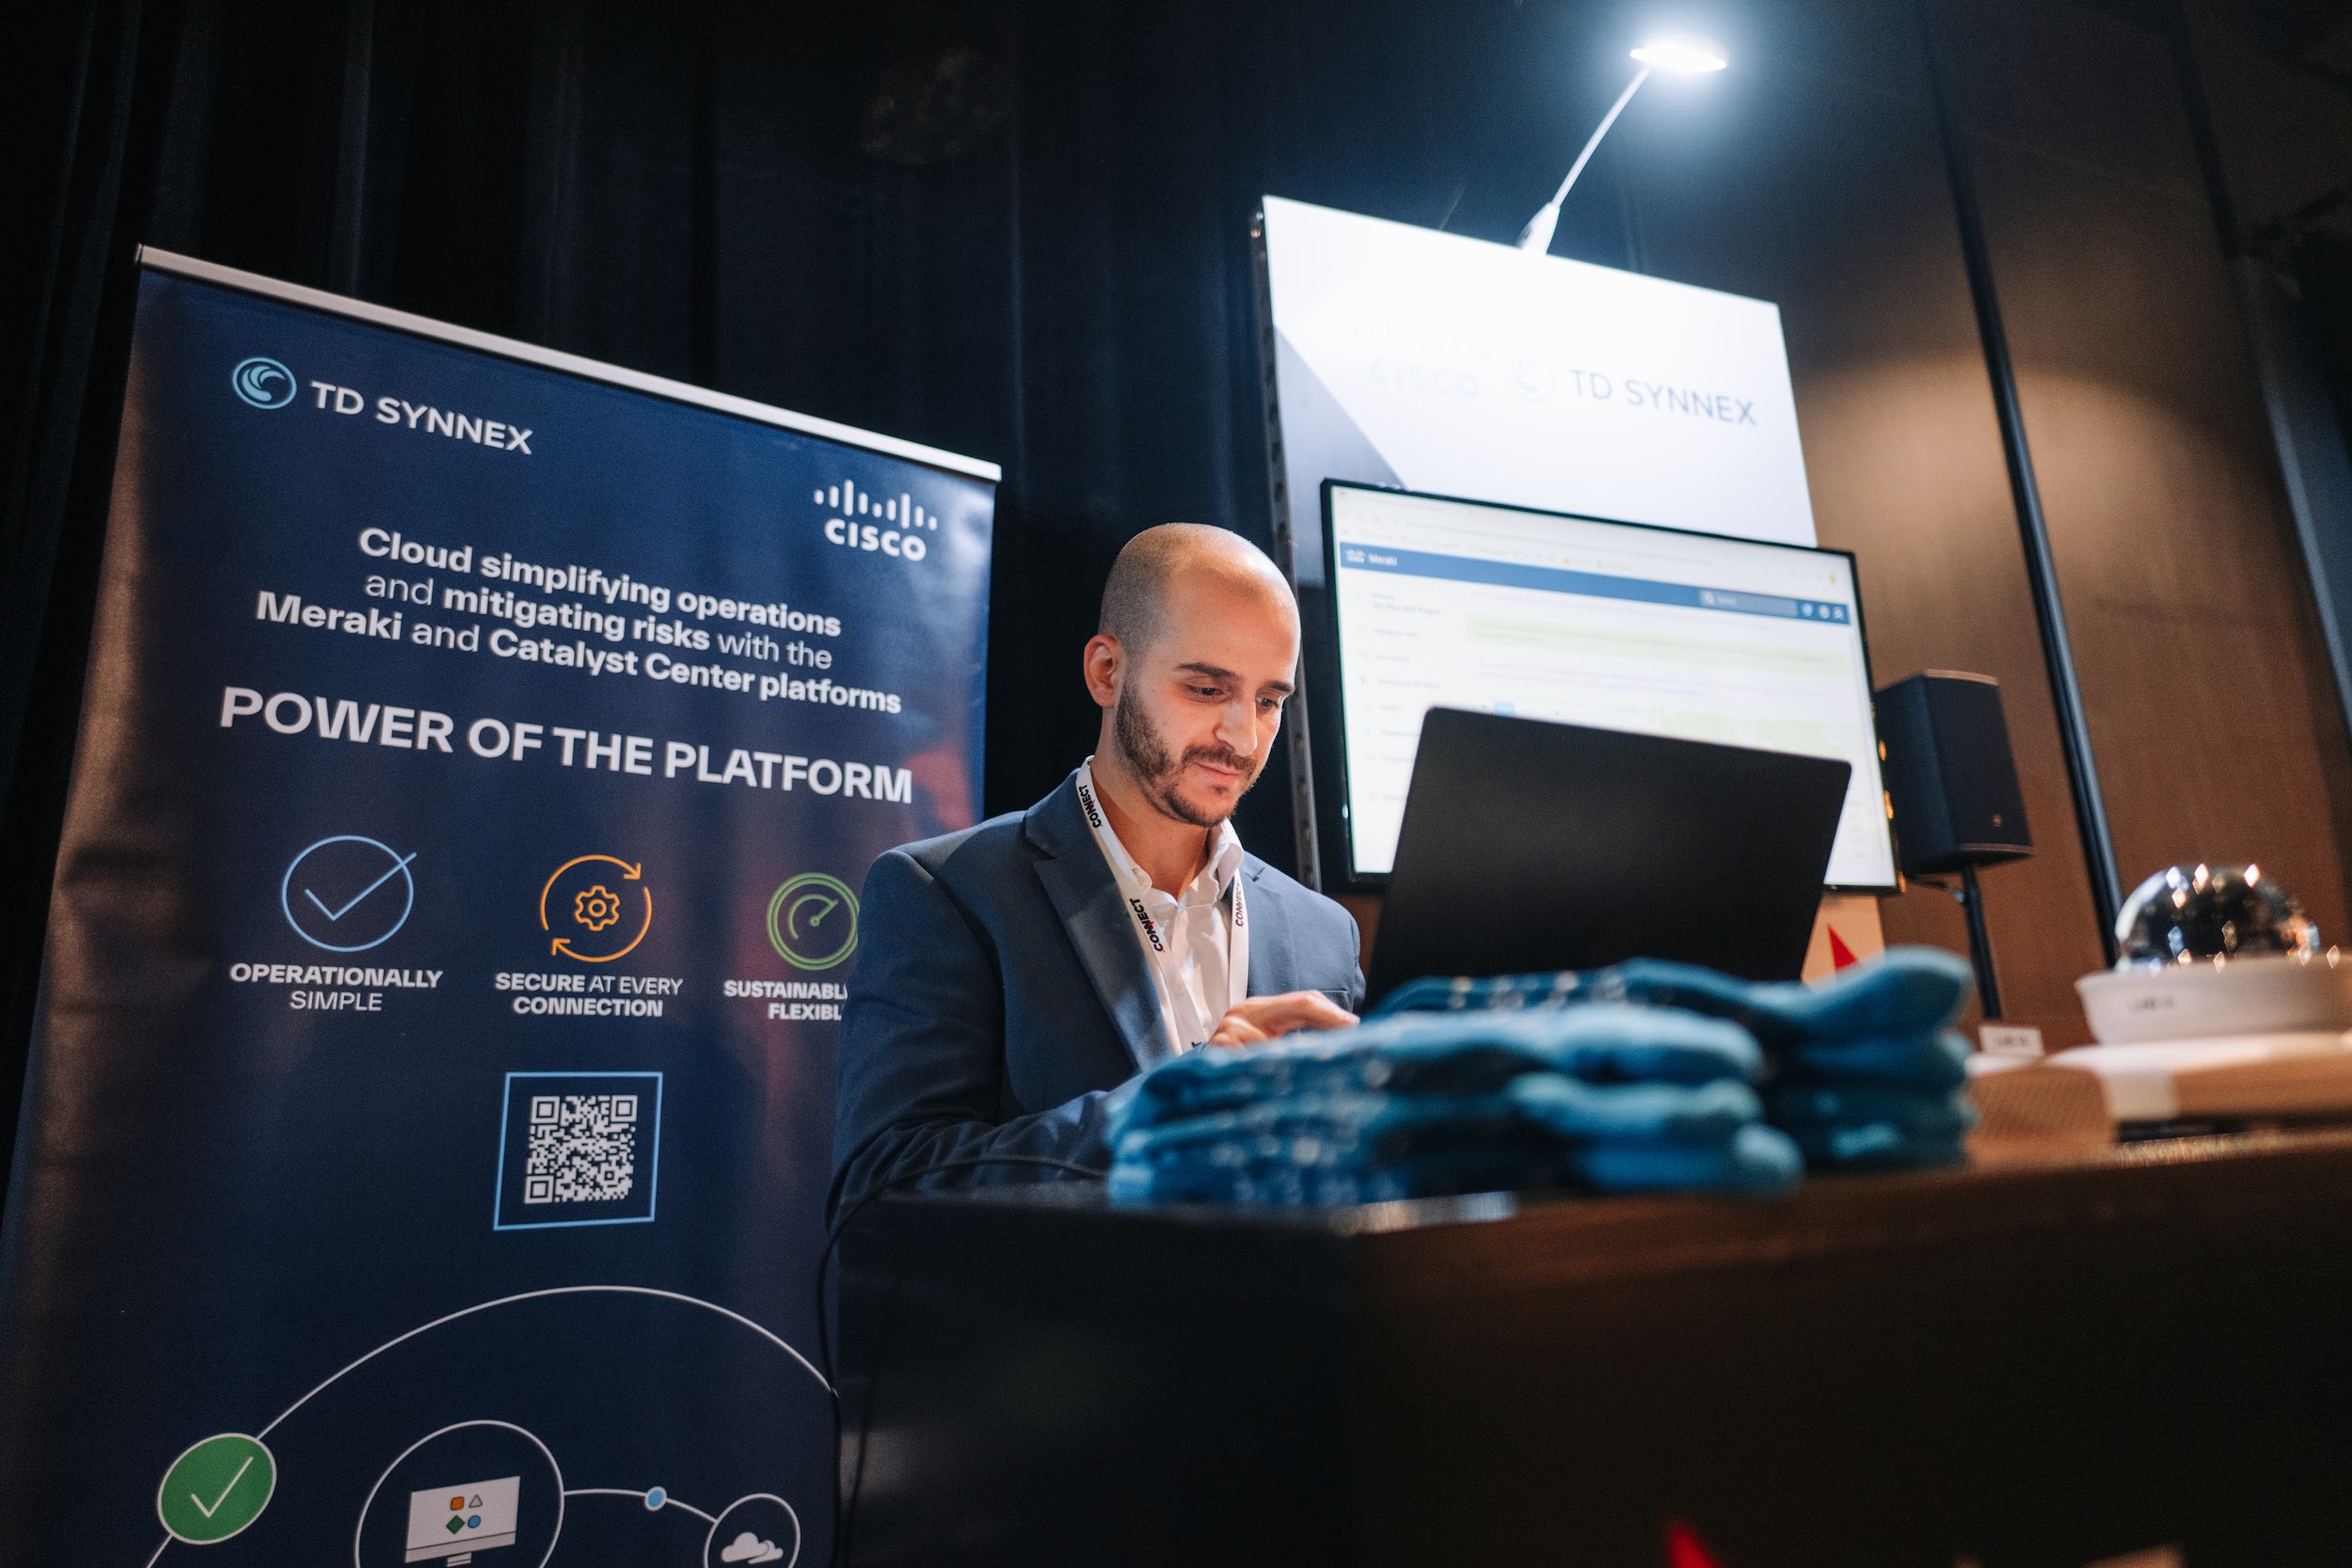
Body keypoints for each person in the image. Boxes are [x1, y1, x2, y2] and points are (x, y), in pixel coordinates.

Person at [832, 524, 1363, 1213]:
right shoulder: (949, 895)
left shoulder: (1324, 934)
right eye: (1207, 689)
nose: (1243, 736)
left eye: (1268, 701)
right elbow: (880, 1192)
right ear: (1107, 671)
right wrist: (1173, 1107)